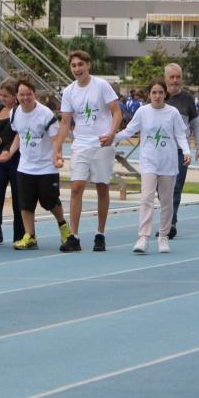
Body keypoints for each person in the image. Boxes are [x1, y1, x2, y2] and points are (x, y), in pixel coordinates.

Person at [53, 51, 121, 252]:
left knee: (102, 187)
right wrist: (57, 148)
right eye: (73, 65)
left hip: (102, 143)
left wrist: (111, 133)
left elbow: (117, 112)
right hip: (81, 144)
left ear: (88, 65)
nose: (77, 69)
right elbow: (65, 122)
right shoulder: (69, 91)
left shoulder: (101, 86)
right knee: (76, 187)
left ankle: (100, 234)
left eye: (80, 64)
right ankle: (74, 236)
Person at [114, 79, 189, 254]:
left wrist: (186, 151)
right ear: (149, 94)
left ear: (165, 94)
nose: (157, 96)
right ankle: (143, 237)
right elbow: (129, 130)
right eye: (154, 92)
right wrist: (112, 137)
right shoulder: (142, 112)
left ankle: (163, 235)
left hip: (168, 163)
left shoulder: (173, 113)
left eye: (160, 92)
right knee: (146, 199)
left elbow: (180, 134)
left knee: (166, 201)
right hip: (149, 162)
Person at [0, 77, 71, 250]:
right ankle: (30, 236)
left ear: (34, 94)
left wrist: (57, 156)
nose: (25, 98)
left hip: (46, 166)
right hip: (25, 166)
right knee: (25, 203)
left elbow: (55, 138)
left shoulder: (45, 114)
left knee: (50, 201)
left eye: (29, 94)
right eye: (22, 95)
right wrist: (10, 152)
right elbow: (19, 135)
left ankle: (64, 228)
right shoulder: (14, 113)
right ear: (17, 96)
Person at [164, 63, 199, 238]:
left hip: (181, 151)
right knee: (161, 190)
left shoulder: (187, 99)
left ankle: (170, 223)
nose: (175, 80)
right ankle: (167, 217)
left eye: (178, 77)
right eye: (172, 77)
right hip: (161, 153)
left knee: (176, 188)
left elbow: (196, 124)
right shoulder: (157, 96)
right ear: (166, 78)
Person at [0, 79, 26, 245]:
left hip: (16, 158)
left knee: (19, 198)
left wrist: (9, 151)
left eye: (6, 96)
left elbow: (20, 134)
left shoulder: (20, 111)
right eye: (0, 95)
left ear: (15, 96)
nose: (2, 98)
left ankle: (21, 236)